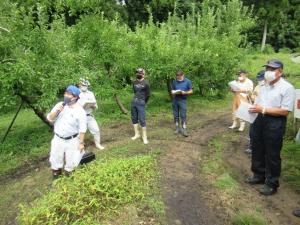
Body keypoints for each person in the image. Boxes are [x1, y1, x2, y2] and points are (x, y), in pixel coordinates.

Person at [247, 59, 295, 195]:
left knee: (272, 153)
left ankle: (272, 183)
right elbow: (258, 102)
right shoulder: (264, 85)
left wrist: (262, 110)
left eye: (272, 69)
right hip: (258, 120)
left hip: (275, 122)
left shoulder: (287, 88)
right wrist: (252, 106)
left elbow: (285, 111)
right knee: (257, 147)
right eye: (267, 69)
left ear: (280, 72)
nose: (269, 72)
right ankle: (258, 175)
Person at [47, 85, 87, 179]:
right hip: (58, 139)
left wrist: (81, 143)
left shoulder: (80, 111)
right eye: (66, 93)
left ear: (75, 97)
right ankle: (57, 179)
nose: (66, 95)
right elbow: (49, 118)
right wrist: (57, 111)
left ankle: (69, 179)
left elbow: (82, 129)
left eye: (69, 94)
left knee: (71, 162)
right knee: (55, 160)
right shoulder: (60, 105)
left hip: (72, 140)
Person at [77, 78, 105, 150]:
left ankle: (98, 144)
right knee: (79, 134)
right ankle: (79, 148)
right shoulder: (76, 93)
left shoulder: (90, 93)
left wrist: (93, 106)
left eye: (86, 85)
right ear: (79, 84)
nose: (85, 87)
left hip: (89, 116)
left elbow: (96, 106)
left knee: (96, 130)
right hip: (79, 116)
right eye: (83, 85)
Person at [245, 70, 265, 154]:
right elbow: (253, 98)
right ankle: (251, 145)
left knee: (261, 131)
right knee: (252, 129)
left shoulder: (268, 87)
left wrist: (259, 95)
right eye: (259, 79)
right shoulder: (257, 86)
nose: (260, 81)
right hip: (255, 110)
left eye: (261, 79)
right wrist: (251, 95)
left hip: (263, 112)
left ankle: (260, 148)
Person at [131, 68, 150, 144]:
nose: (138, 74)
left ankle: (144, 137)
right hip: (134, 102)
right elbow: (134, 91)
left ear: (143, 74)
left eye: (140, 73)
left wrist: (143, 102)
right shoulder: (134, 82)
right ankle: (137, 134)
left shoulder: (146, 83)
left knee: (142, 120)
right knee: (134, 118)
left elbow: (148, 95)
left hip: (141, 103)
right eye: (137, 73)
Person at [171, 70, 193, 137]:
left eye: (180, 77)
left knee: (183, 115)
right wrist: (173, 92)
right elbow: (172, 90)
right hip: (175, 100)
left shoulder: (188, 81)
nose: (178, 78)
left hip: (183, 100)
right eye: (177, 77)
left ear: (183, 75)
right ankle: (177, 128)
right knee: (175, 115)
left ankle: (184, 129)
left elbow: (191, 91)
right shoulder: (174, 81)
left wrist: (185, 92)